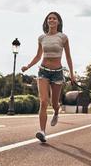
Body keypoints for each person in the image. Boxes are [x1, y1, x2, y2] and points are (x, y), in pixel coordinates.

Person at [21, 11, 75, 143]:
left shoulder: (63, 37)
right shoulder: (41, 38)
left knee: (54, 103)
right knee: (44, 101)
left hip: (57, 73)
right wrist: (28, 66)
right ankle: (42, 132)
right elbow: (38, 56)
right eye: (49, 18)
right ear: (46, 22)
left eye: (54, 18)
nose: (51, 20)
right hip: (43, 72)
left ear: (58, 22)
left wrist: (72, 74)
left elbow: (68, 57)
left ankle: (56, 111)